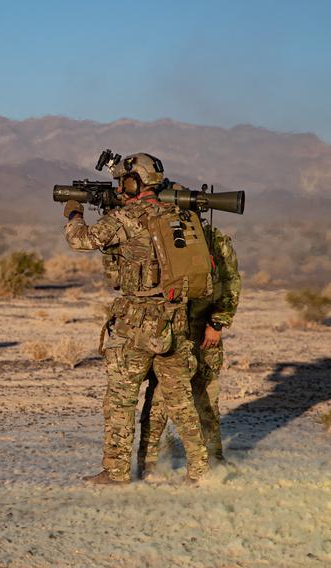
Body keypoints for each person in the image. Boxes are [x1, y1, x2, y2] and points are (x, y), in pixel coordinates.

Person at [63, 152, 209, 484]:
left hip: (137, 323)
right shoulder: (179, 215)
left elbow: (81, 239)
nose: (118, 186)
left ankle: (115, 473)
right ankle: (200, 470)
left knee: (121, 399)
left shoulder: (127, 218)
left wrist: (73, 211)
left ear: (133, 182)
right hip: (175, 320)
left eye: (121, 181)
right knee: (181, 400)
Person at [138, 223, 240, 475]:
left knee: (205, 399)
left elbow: (230, 282)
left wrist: (217, 323)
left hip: (204, 332)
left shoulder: (213, 239)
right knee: (159, 401)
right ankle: (148, 464)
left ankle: (214, 459)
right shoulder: (157, 233)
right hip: (169, 335)